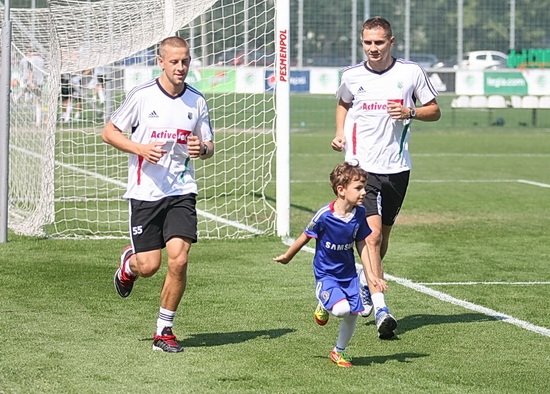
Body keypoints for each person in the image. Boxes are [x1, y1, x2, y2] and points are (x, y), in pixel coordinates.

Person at [101, 36, 214, 353]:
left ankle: (164, 331)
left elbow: (209, 146)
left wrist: (201, 148)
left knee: (179, 261)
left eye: (186, 61)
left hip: (181, 191)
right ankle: (129, 265)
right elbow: (109, 132)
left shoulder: (197, 101)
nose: (181, 67)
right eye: (175, 61)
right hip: (145, 193)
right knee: (149, 266)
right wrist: (139, 148)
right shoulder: (142, 96)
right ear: (161, 62)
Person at [331, 16, 441, 339]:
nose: (373, 48)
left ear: (391, 42)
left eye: (379, 42)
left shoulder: (410, 73)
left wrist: (410, 112)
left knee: (384, 237)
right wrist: (339, 132)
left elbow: (434, 110)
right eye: (368, 43)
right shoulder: (352, 76)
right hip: (361, 168)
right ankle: (381, 308)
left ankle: (367, 280)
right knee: (372, 235)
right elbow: (343, 101)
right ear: (362, 42)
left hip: (397, 169)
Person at [273, 162, 388, 367]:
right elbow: (304, 237)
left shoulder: (359, 214)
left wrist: (370, 274)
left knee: (354, 313)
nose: (364, 192)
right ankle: (323, 301)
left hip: (349, 274)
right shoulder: (324, 215)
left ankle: (338, 351)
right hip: (326, 274)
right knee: (341, 310)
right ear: (341, 190)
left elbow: (361, 243)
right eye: (358, 188)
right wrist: (288, 256)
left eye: (364, 187)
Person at [19, 50, 45, 126]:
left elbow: (31, 71)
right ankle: (38, 121)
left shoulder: (29, 60)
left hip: (33, 81)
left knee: (34, 98)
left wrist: (31, 81)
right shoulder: (42, 60)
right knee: (38, 100)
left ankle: (20, 97)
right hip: (40, 81)